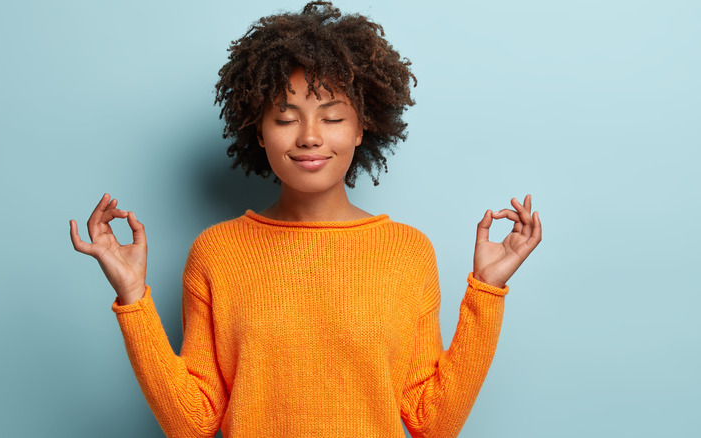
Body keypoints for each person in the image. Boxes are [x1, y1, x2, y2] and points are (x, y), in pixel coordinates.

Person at [69, 2, 541, 437]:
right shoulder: (216, 252)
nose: (310, 137)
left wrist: (487, 290)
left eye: (332, 117)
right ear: (258, 129)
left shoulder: (408, 252)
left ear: (361, 127)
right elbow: (192, 423)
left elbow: (431, 422)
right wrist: (132, 298)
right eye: (285, 117)